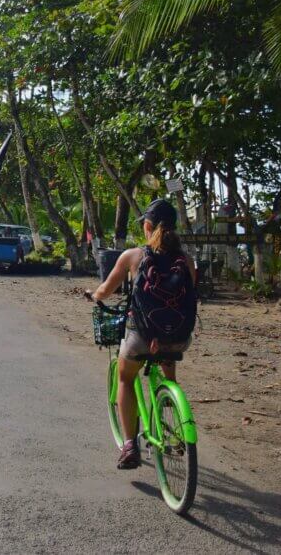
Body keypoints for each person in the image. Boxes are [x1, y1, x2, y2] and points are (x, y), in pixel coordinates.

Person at [85, 198, 194, 470]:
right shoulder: (187, 261)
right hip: (179, 336)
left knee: (124, 377)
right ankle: (174, 424)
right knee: (169, 369)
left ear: (147, 226)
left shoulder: (133, 256)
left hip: (142, 337)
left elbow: (105, 290)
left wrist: (93, 296)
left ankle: (130, 444)